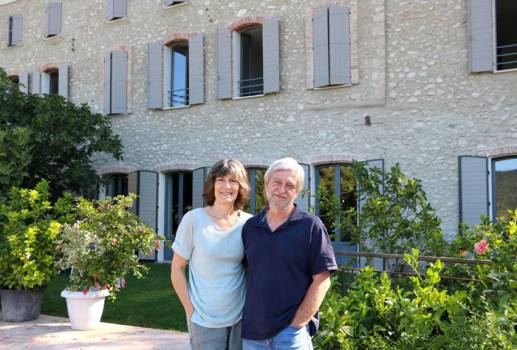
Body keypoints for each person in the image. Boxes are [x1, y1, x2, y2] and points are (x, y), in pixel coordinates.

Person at [241, 157, 337, 350]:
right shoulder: (250, 227)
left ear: (297, 191)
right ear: (266, 184)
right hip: (252, 334)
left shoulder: (311, 227)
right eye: (277, 182)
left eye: (290, 185)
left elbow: (323, 280)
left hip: (291, 335)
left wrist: (297, 324)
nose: (282, 189)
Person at [171, 159, 251, 350]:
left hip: (240, 318)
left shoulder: (249, 224)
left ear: (241, 187)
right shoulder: (193, 220)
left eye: (233, 181)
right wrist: (190, 311)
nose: (227, 186)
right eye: (221, 180)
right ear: (212, 184)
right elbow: (177, 269)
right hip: (204, 320)